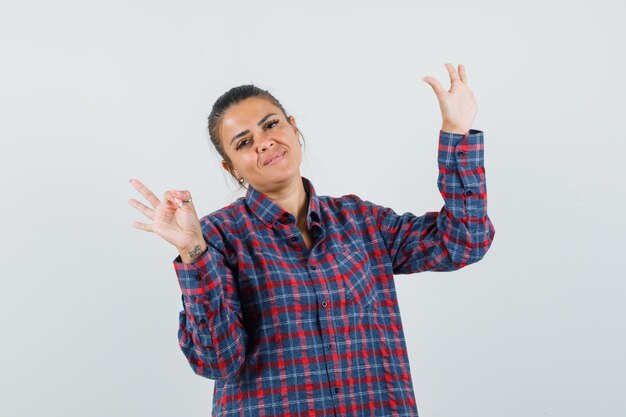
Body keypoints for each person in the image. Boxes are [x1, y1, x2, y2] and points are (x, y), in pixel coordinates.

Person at [128, 63, 495, 417]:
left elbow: (463, 241)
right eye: (243, 142)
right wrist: (193, 252)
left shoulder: (360, 220)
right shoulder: (218, 239)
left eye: (271, 124)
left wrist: (456, 134)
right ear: (231, 167)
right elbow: (216, 360)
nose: (264, 143)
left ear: (293, 127)